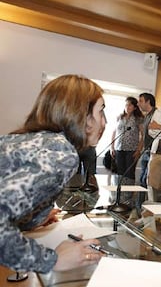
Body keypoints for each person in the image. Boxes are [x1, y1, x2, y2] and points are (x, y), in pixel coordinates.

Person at [0, 74, 107, 273]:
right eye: (101, 112)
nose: (104, 122)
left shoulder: (33, 140)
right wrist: (52, 260)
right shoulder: (60, 152)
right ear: (80, 114)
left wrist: (31, 217)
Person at [110, 96, 144, 207]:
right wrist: (112, 147)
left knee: (129, 174)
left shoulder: (138, 118)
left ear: (134, 107)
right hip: (119, 149)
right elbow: (114, 132)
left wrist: (139, 149)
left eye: (129, 105)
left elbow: (142, 135)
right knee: (119, 174)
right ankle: (119, 197)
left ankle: (128, 198)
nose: (127, 107)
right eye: (126, 105)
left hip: (131, 150)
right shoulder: (120, 117)